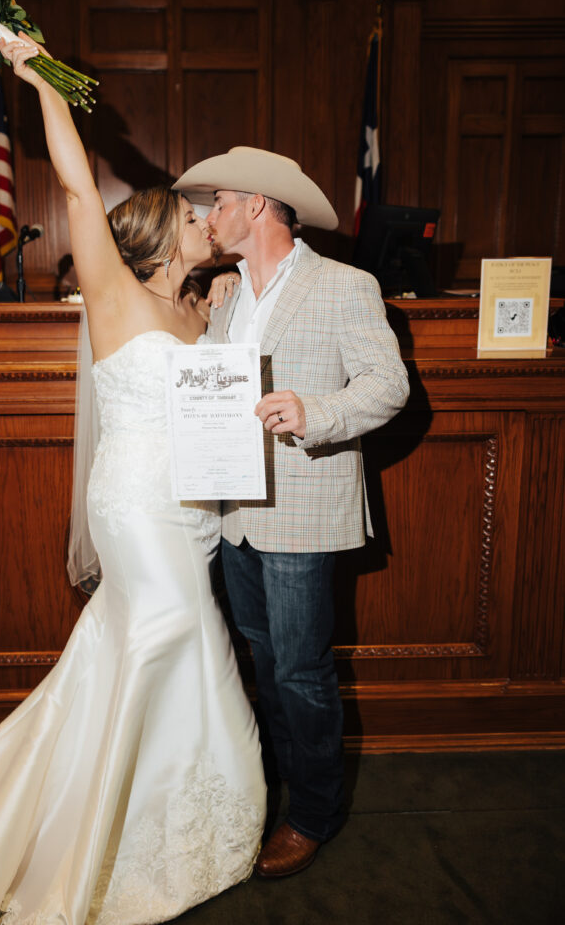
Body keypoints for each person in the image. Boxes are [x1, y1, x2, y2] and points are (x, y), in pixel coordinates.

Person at [0, 39, 265, 924]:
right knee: (174, 633)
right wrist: (37, 70)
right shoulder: (114, 294)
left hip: (194, 506)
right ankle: (137, 828)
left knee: (166, 644)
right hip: (137, 506)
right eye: (197, 212)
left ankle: (165, 816)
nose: (210, 218)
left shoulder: (199, 306)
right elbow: (79, 189)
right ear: (164, 228)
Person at [174, 147, 410, 878]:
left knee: (302, 672)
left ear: (256, 207)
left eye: (218, 203)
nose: (208, 217)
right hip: (236, 513)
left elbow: (387, 386)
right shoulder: (227, 293)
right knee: (265, 663)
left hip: (304, 512)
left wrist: (317, 412)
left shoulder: (345, 285)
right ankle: (275, 791)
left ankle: (311, 814)